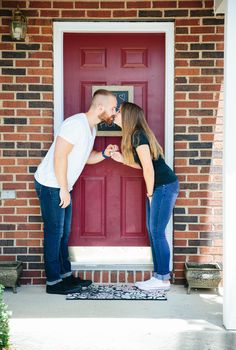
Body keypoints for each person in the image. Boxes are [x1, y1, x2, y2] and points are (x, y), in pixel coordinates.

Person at [34, 89, 118, 295]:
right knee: (54, 234)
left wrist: (105, 155)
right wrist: (63, 188)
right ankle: (53, 282)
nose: (115, 112)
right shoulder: (75, 124)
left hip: (62, 186)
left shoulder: (91, 129)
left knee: (64, 235)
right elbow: (59, 157)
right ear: (100, 107)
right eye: (113, 108)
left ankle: (65, 276)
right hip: (51, 185)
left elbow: (86, 157)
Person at [112, 102, 179, 291]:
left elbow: (149, 170)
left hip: (164, 187)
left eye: (119, 111)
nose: (116, 114)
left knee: (157, 232)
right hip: (161, 187)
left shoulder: (138, 136)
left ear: (128, 117)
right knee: (154, 231)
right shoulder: (136, 135)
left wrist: (150, 193)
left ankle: (163, 279)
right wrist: (122, 160)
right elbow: (143, 164)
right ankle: (159, 276)